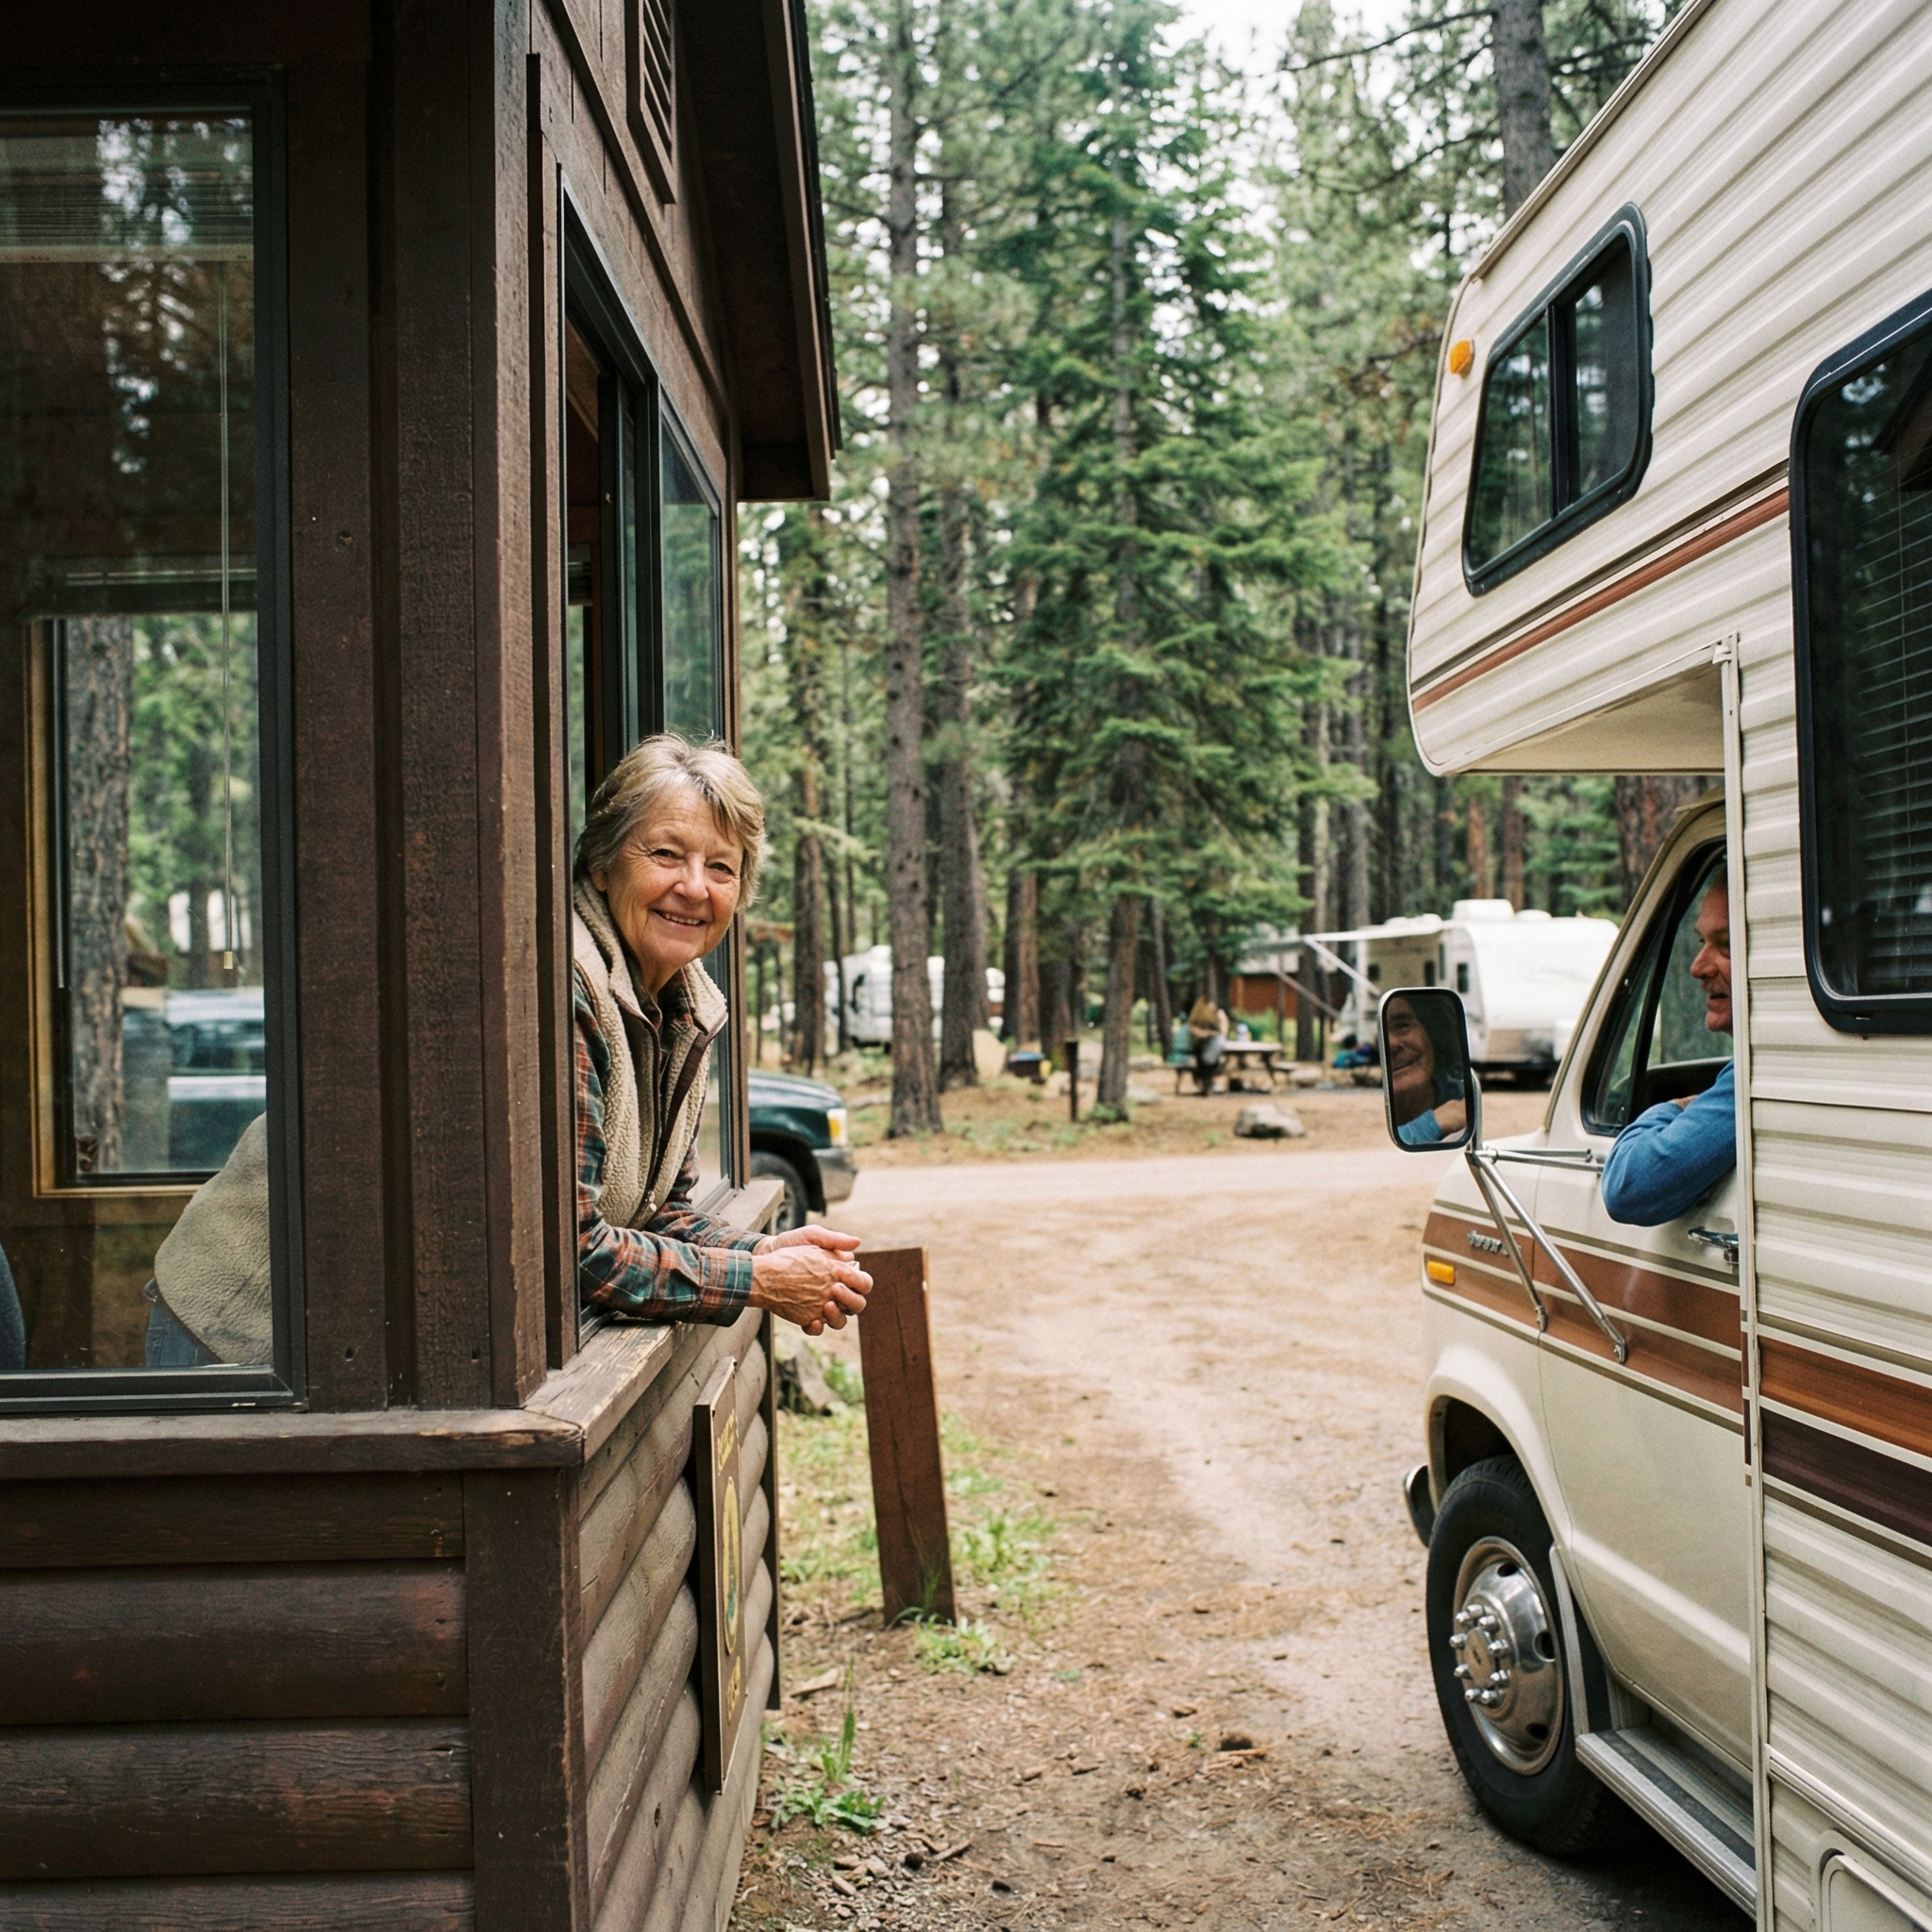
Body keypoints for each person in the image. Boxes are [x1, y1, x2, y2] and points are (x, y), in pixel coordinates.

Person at [575, 735, 870, 1335]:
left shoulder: (683, 1003)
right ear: (602, 865)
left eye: (720, 868)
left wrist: (764, 1252)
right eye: (664, 853)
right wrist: (760, 1282)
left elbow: (663, 1214)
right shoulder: (568, 990)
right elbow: (577, 1251)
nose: (694, 888)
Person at [1600, 868, 1736, 1226]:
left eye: (1728, 945)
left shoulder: (1755, 1080)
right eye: (1701, 943)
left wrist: (1678, 1107)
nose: (1697, 967)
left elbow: (1628, 1188)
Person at [1384, 994, 1468, 1146]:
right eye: (1379, 1036)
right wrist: (1432, 1124)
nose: (1391, 1044)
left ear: (1430, 1033)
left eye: (1402, 1025)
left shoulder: (1464, 1096)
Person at [1186, 991, 1229, 1094]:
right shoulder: (1195, 1022)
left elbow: (1222, 1031)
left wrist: (1222, 1019)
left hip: (1202, 1053)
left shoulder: (1213, 1018)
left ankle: (1207, 1085)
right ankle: (1207, 1085)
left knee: (1210, 1060)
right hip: (1196, 1053)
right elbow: (1198, 1033)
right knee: (1208, 1062)